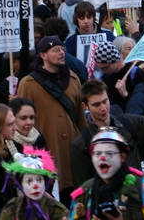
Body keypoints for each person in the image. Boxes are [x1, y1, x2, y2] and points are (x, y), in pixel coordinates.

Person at [17, 36, 86, 202]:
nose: (61, 53)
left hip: (72, 150)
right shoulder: (28, 83)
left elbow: (80, 118)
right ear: (43, 55)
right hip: (47, 152)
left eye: (62, 49)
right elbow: (21, 124)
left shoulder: (73, 79)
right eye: (55, 50)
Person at [69, 128, 144, 220]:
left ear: (122, 157)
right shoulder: (84, 192)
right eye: (97, 153)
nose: (102, 158)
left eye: (109, 153)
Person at [0, 147, 68, 220]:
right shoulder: (12, 209)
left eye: (39, 180)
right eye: (29, 181)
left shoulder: (55, 209)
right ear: (21, 185)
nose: (35, 186)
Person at [93, 41, 144, 110]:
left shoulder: (134, 72)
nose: (103, 71)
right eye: (100, 68)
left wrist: (125, 94)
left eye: (106, 67)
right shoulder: (105, 77)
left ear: (116, 60)